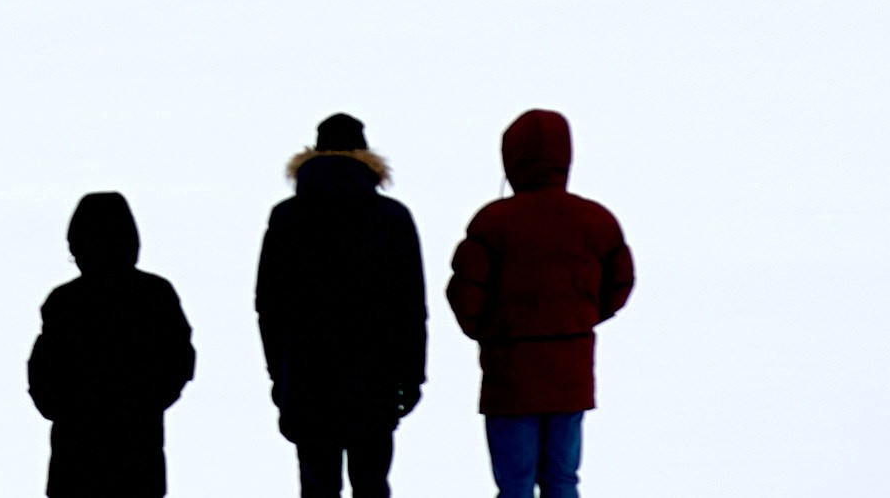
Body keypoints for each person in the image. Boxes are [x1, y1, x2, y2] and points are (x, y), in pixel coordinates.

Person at [446, 110, 635, 498]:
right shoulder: (595, 220)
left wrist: (490, 332)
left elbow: (464, 292)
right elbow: (621, 281)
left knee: (514, 484)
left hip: (509, 375)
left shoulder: (492, 223)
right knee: (562, 480)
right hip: (571, 372)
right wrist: (581, 319)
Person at [255, 113, 427, 498]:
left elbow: (268, 306)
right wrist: (412, 376)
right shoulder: (392, 218)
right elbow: (411, 308)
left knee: (317, 486)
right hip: (375, 380)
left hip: (306, 377)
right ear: (365, 155)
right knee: (371, 483)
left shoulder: (286, 217)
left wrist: (278, 374)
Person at [28, 192, 197, 498]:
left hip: (74, 448)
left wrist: (63, 410)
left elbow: (42, 370)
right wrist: (147, 404)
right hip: (139, 444)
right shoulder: (155, 294)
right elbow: (180, 359)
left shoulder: (64, 302)